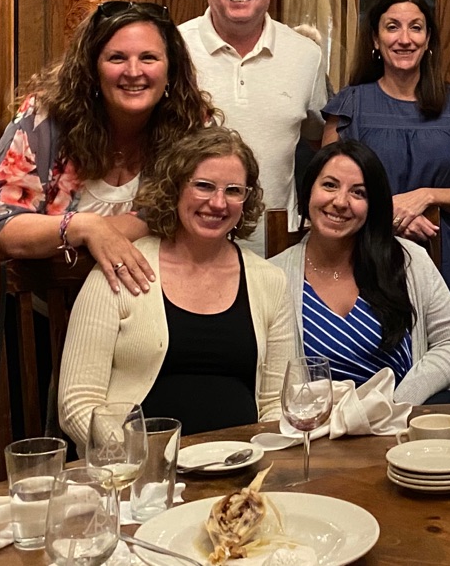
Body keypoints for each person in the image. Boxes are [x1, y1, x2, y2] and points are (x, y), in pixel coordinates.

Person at [0, 1, 216, 307]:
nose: (134, 72)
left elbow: (196, 217)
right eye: (117, 58)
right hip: (26, 312)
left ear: (171, 69)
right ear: (92, 68)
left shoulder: (192, 126)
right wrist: (83, 227)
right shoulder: (45, 117)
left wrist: (135, 225)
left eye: (149, 58)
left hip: (139, 309)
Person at [58, 126, 297, 447]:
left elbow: (278, 404)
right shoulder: (122, 266)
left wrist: (262, 457)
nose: (218, 203)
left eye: (233, 191)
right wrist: (140, 459)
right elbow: (77, 402)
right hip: (136, 468)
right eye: (203, 186)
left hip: (242, 465)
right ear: (175, 188)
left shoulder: (270, 281)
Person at [323, 0, 450, 314]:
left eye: (416, 27)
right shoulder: (349, 106)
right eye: (392, 27)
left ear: (428, 40)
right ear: (375, 39)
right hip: (363, 264)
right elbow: (329, 192)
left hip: (445, 268)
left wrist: (425, 196)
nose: (404, 39)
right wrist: (390, 214)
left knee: (446, 349)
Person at [272, 141, 450, 404]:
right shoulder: (275, 276)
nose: (340, 202)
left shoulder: (408, 260)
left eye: (358, 193)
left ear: (372, 205)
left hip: (406, 414)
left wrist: (396, 405)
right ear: (308, 190)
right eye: (329, 185)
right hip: (320, 421)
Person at [180, 0, 328, 255]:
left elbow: (321, 141)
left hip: (278, 250)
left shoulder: (306, 55)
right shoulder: (171, 49)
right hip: (185, 249)